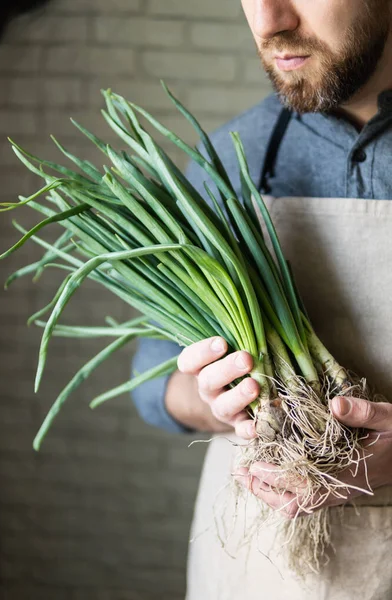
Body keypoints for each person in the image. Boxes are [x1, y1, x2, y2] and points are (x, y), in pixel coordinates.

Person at [131, 1, 392, 597]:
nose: (268, 21)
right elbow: (150, 378)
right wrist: (213, 400)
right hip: (259, 572)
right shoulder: (226, 158)